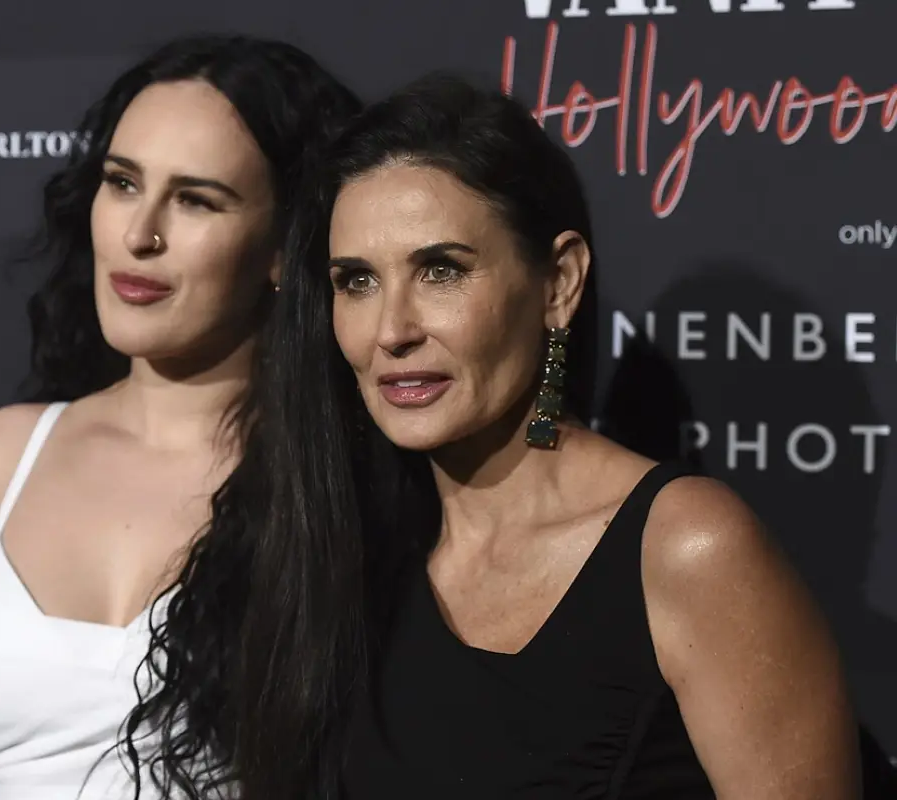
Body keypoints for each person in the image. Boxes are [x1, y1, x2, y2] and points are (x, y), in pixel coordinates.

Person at [262, 74, 862, 798]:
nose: (391, 331)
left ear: (559, 284)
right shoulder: (351, 550)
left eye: (441, 270)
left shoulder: (687, 549)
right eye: (356, 281)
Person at [0, 35, 360, 800]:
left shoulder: (337, 483)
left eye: (195, 200)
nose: (139, 234)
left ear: (285, 247)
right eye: (122, 183)